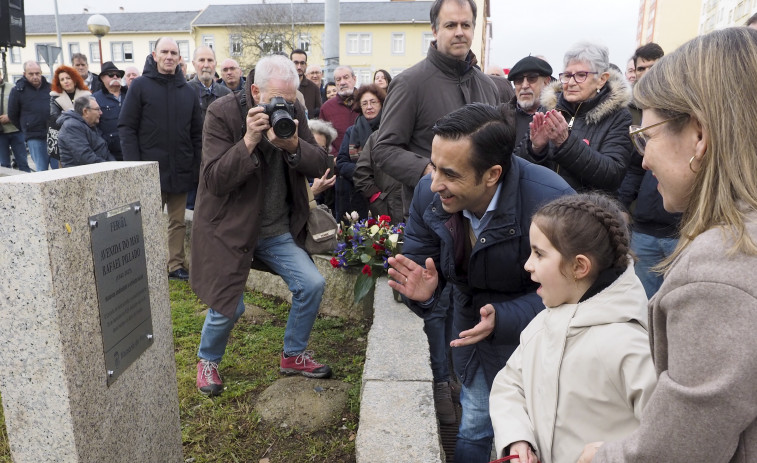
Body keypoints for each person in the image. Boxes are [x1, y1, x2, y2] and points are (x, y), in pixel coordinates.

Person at [578, 26, 757, 463]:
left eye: (648, 135)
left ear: (699, 135)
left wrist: (599, 457)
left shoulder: (721, 269)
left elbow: (680, 449)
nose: (644, 158)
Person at [389, 103, 574, 462]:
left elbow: (574, 292)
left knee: (533, 432)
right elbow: (422, 264)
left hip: (536, 337)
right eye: (433, 166)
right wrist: (425, 295)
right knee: (475, 422)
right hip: (471, 329)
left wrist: (505, 318)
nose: (435, 182)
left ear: (492, 174)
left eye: (450, 173)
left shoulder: (551, 202)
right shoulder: (431, 194)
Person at [371, 0, 500, 431]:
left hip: (484, 220)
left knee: (477, 302)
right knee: (436, 305)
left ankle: (471, 386)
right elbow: (384, 147)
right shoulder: (411, 82)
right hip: (435, 216)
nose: (459, 31)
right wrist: (433, 173)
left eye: (466, 24)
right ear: (435, 29)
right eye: (450, 24)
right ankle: (442, 386)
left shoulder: (490, 86)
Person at [190, 55, 331, 396]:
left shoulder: (294, 111)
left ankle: (293, 355)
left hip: (275, 229)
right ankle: (207, 361)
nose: (281, 107)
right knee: (229, 304)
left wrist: (294, 145)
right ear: (254, 91)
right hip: (230, 229)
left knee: (311, 284)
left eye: (288, 99)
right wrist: (249, 141)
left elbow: (320, 162)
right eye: (273, 100)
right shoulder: (222, 112)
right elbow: (214, 180)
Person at [489, 193, 656, 463]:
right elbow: (510, 384)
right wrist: (517, 437)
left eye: (539, 254)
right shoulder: (542, 324)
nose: (528, 265)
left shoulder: (630, 346)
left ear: (579, 266)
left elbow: (669, 439)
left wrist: (611, 456)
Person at [119, 37, 202, 282]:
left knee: (177, 222)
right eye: (164, 52)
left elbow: (197, 134)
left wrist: (196, 167)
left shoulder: (188, 91)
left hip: (181, 170)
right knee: (146, 221)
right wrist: (135, 167)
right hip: (149, 170)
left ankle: (174, 264)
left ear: (179, 58)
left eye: (173, 53)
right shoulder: (140, 86)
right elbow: (126, 127)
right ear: (154, 56)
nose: (169, 56)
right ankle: (146, 265)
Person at [526, 41, 634, 194]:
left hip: (585, 212)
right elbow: (523, 166)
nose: (570, 83)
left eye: (581, 75)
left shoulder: (618, 116)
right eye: (567, 75)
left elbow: (613, 175)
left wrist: (566, 143)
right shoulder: (549, 107)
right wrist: (535, 149)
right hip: (543, 206)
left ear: (602, 79)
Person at [618, 43, 680, 298]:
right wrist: (622, 206)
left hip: (680, 229)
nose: (647, 73)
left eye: (652, 67)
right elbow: (635, 167)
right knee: (642, 304)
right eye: (641, 68)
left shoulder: (681, 107)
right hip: (644, 228)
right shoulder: (633, 111)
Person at [335, 83, 385, 221]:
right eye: (364, 103)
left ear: (381, 104)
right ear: (360, 107)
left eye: (373, 102)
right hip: (356, 196)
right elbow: (342, 163)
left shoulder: (389, 129)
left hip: (385, 195)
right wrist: (365, 172)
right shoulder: (352, 131)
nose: (369, 107)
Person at [8, 61, 54, 171]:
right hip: (34, 136)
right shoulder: (18, 91)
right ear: (25, 74)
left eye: (37, 73)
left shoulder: (50, 88)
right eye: (31, 74)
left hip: (53, 134)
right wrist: (26, 128)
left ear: (41, 73)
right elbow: (12, 114)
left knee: (59, 169)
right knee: (41, 170)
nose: (35, 77)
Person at [506, 56, 553, 160]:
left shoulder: (557, 116)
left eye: (532, 79)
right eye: (519, 80)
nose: (525, 85)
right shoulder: (501, 117)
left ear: (546, 82)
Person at [57, 95, 114, 166]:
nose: (101, 112)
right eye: (97, 109)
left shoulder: (89, 124)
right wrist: (110, 166)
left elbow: (103, 151)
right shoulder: (72, 127)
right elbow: (85, 157)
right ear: (85, 111)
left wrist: (114, 164)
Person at [319, 66, 359, 153]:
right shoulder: (326, 108)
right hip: (338, 162)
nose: (342, 82)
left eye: (346, 77)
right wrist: (336, 157)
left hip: (366, 161)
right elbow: (323, 137)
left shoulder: (365, 102)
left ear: (354, 79)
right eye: (338, 79)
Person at [92, 62, 126, 161]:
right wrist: (103, 143)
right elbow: (93, 126)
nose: (115, 77)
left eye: (118, 75)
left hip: (130, 147)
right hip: (109, 151)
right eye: (111, 75)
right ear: (102, 78)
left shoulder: (130, 94)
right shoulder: (95, 99)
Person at [0, 71, 31, 172]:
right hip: (1, 135)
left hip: (16, 130)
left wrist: (10, 117)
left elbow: (23, 106)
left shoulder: (12, 88)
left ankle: (28, 184)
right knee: (4, 166)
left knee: (23, 162)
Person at [307, 118, 337, 198]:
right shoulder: (293, 168)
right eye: (314, 146)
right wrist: (314, 190)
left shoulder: (327, 172)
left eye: (322, 148)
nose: (318, 152)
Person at [291, 49, 321, 119]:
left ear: (306, 65)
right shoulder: (282, 85)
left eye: (302, 63)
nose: (299, 67)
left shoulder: (314, 88)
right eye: (296, 63)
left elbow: (319, 114)